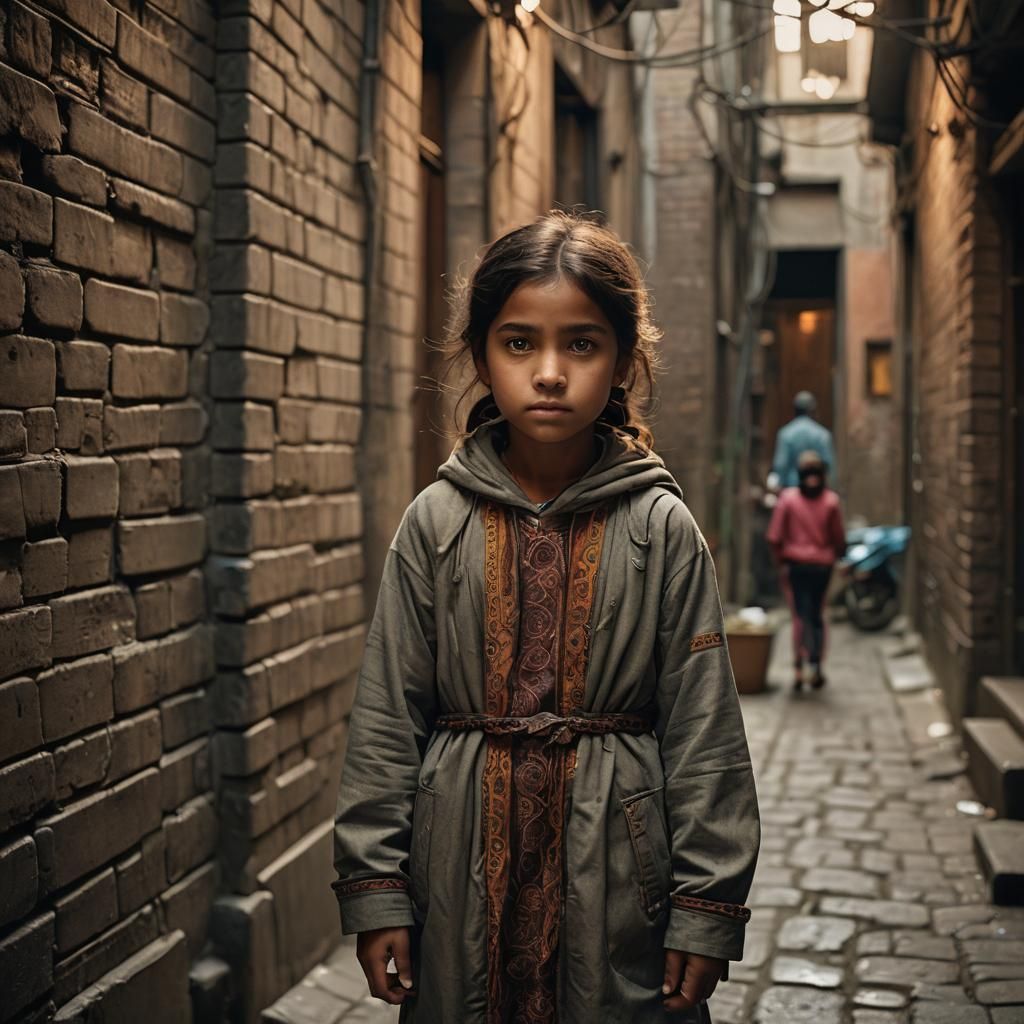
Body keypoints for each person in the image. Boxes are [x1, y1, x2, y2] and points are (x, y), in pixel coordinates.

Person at [332, 211, 760, 1024]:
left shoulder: (660, 528)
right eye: (520, 343)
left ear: (623, 361)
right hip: (457, 873)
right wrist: (376, 888)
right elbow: (388, 717)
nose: (551, 373)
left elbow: (705, 732)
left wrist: (706, 909)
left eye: (583, 344)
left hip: (619, 882)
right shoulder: (435, 522)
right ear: (482, 357)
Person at [766, 450, 846, 691]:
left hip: (796, 566)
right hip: (822, 567)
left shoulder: (787, 499)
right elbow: (838, 538)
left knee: (800, 615)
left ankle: (799, 667)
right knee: (817, 614)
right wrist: (836, 555)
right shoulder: (831, 501)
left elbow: (774, 536)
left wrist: (780, 561)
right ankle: (816, 665)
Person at [767, 390, 837, 491]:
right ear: (812, 410)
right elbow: (829, 465)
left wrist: (780, 486)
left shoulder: (786, 433)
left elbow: (781, 464)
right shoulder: (822, 434)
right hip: (816, 491)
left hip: (792, 489)